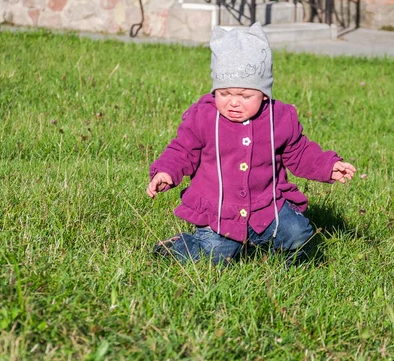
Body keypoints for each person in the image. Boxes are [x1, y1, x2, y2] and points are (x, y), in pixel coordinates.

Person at [146, 23, 355, 266]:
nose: (233, 102)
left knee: (299, 236)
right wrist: (165, 172)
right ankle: (178, 246)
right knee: (214, 256)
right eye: (224, 94)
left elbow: (299, 151)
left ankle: (290, 274)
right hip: (220, 212)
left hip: (268, 207)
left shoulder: (279, 118)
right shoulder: (203, 117)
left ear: (264, 94)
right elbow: (182, 150)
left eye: (245, 96)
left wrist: (328, 166)